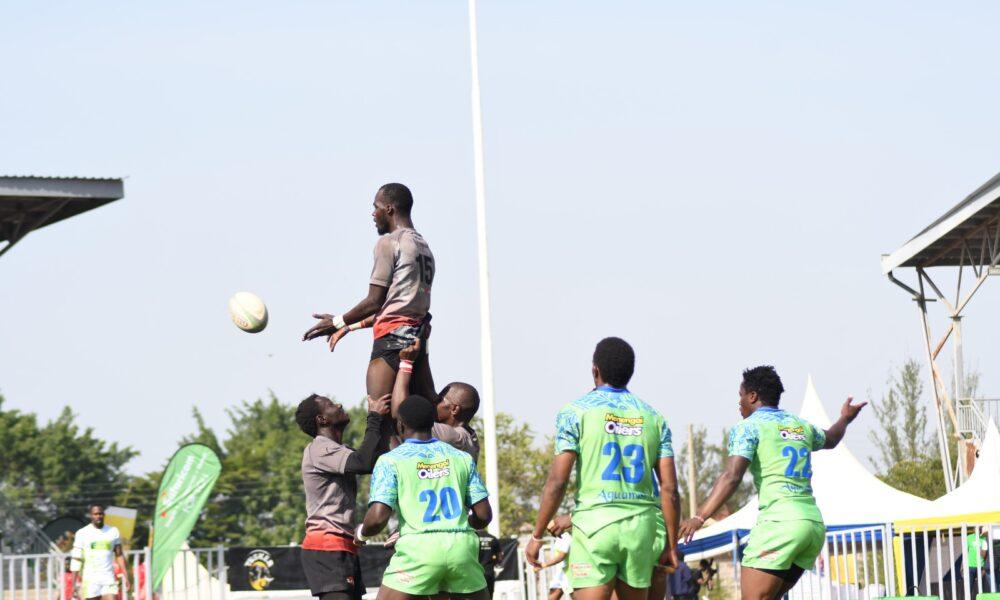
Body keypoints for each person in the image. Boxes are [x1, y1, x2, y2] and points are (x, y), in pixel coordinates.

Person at [679, 366, 867, 600]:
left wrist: (700, 517)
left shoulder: (749, 427)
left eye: (740, 395)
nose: (739, 403)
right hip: (811, 526)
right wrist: (845, 419)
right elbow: (831, 438)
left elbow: (732, 476)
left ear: (753, 396)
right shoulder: (800, 425)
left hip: (780, 524)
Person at [526, 337, 681, 600]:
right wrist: (671, 544)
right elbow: (670, 488)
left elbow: (557, 482)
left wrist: (537, 535)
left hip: (594, 527)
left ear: (594, 370)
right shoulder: (654, 418)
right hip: (641, 528)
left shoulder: (576, 412)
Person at [303, 182, 437, 401]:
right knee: (415, 419)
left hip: (392, 340)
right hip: (418, 339)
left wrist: (337, 322)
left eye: (376, 207)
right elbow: (399, 307)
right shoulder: (423, 246)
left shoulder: (389, 242)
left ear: (389, 209)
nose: (373, 214)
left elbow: (376, 301)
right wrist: (351, 326)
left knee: (378, 419)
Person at [357, 395, 493, 600]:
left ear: (401, 425)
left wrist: (360, 534)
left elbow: (377, 518)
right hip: (461, 549)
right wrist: (461, 524)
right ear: (433, 423)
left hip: (419, 550)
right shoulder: (461, 458)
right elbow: (483, 515)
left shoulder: (391, 461)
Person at [296, 393, 391, 600]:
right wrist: (374, 417)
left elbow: (376, 460)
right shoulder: (319, 448)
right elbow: (362, 463)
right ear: (322, 420)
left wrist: (386, 420)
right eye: (330, 405)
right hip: (327, 548)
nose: (338, 404)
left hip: (344, 546)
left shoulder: (340, 450)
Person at [393, 340, 480, 462]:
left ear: (454, 409)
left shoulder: (453, 437)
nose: (434, 401)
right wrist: (424, 345)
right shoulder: (468, 436)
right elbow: (429, 391)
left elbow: (402, 414)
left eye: (440, 400)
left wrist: (406, 364)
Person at [70, 505, 130, 600]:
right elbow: (76, 560)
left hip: (108, 578)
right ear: (91, 516)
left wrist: (126, 575)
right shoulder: (82, 533)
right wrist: (73, 585)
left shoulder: (113, 531)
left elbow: (119, 555)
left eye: (100, 514)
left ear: (104, 515)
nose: (98, 516)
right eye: (95, 514)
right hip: (91, 580)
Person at [535, 531, 572, 600]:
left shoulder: (565, 537)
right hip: (560, 575)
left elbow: (561, 556)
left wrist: (543, 565)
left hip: (568, 574)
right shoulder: (559, 538)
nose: (548, 529)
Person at [477, 529, 504, 597]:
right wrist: (494, 562)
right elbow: (500, 557)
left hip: (474, 574)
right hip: (488, 573)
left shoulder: (472, 538)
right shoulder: (493, 538)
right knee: (488, 596)